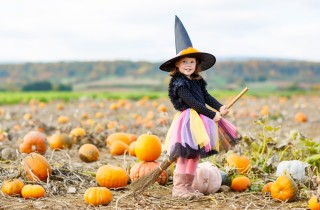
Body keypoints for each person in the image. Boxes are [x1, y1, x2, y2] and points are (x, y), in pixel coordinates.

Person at [160, 16, 233, 199]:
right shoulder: (179, 83)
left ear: (196, 64)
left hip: (199, 120)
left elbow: (206, 97)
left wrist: (220, 106)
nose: (188, 65)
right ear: (177, 64)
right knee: (185, 154)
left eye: (191, 62)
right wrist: (212, 114)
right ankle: (179, 188)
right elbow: (193, 103)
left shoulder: (197, 80)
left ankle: (188, 186)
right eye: (184, 62)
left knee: (195, 155)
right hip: (188, 121)